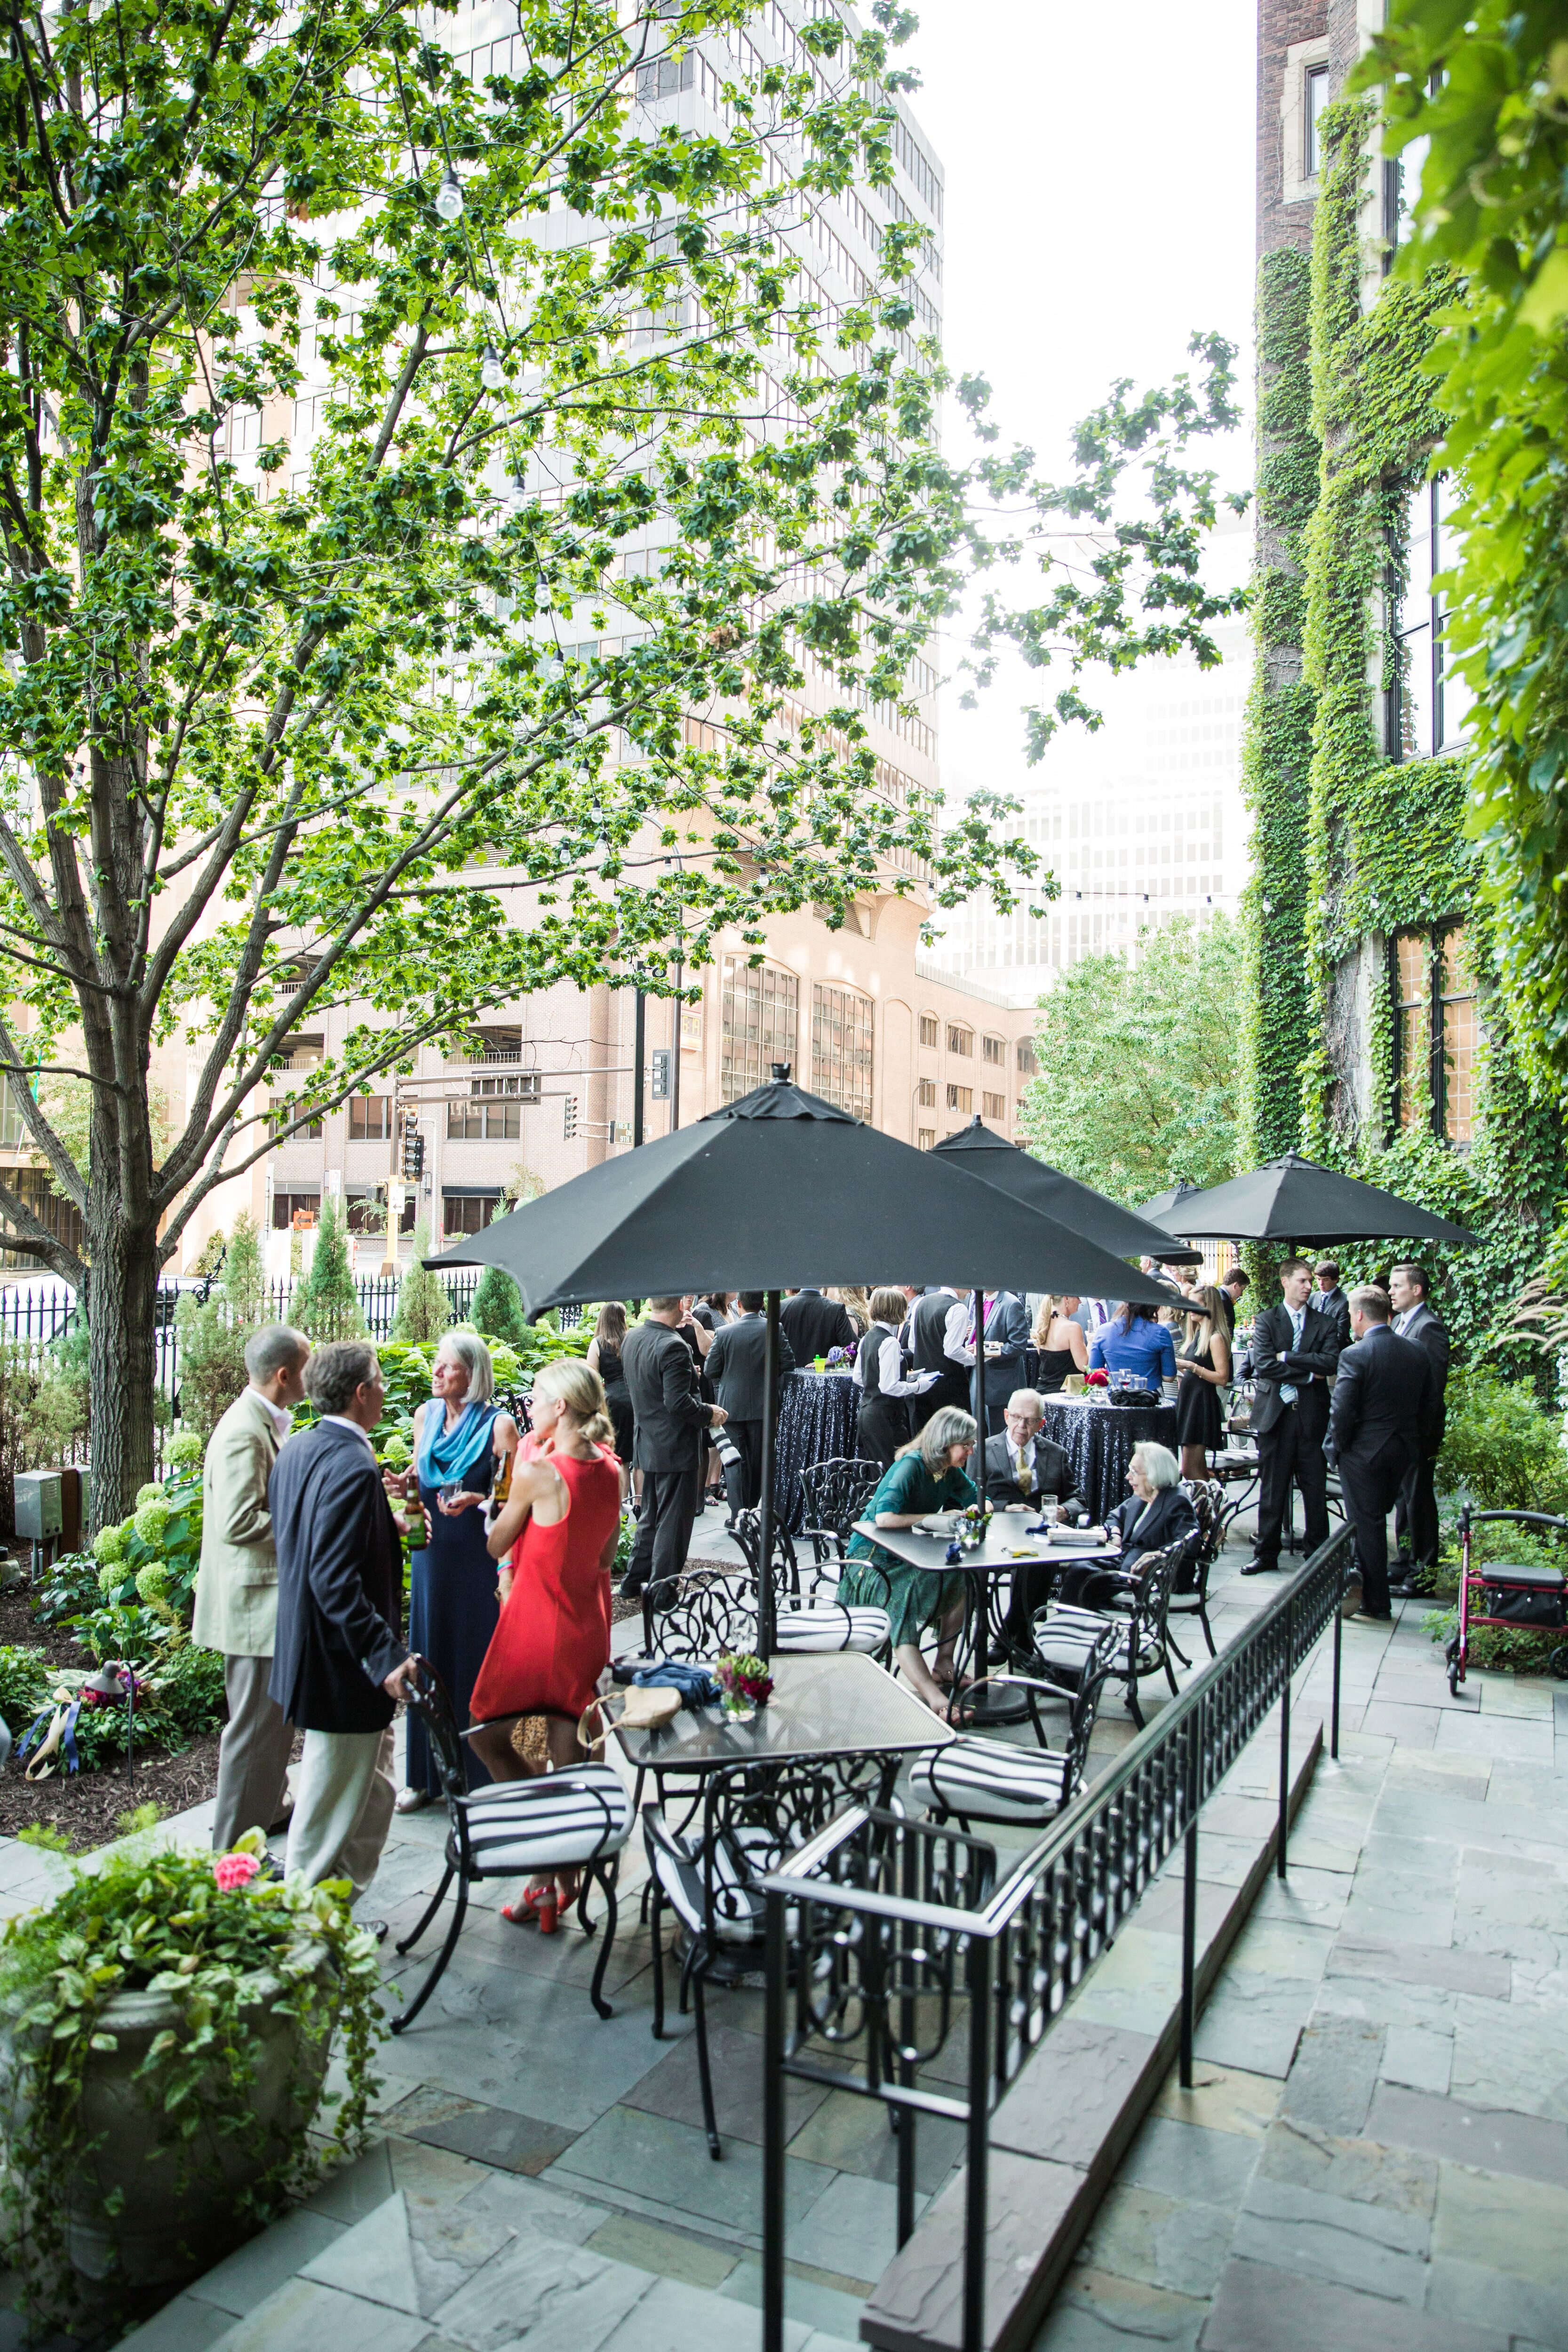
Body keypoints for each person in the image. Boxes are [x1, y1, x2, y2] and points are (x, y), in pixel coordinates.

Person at [468, 1359, 623, 1925]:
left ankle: (550, 1855)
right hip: (586, 1624)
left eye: (536, 1399)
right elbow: (606, 1559)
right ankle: (555, 1879)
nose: (528, 1407)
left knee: (487, 1731)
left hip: (539, 1625)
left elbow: (494, 1544)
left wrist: (501, 1495)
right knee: (565, 1752)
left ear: (561, 1408)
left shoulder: (540, 1472)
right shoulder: (613, 1468)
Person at [269, 1342, 417, 1906]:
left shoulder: (301, 1448)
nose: (383, 1389)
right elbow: (332, 1577)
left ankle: (336, 1911)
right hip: (342, 1667)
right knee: (327, 1809)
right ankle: (304, 1935)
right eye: (379, 1381)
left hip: (313, 1655)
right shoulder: (353, 1465)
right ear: (362, 1393)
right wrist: (385, 1655)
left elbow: (309, 1542)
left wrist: (393, 1516)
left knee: (376, 1789)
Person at [194, 1325, 310, 1853]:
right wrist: (306, 1523)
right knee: (254, 1730)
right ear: (285, 1375)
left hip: (264, 1602)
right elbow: (239, 1522)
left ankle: (267, 1809)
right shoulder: (244, 1430)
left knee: (271, 1725)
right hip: (253, 1605)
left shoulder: (261, 1421)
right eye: (307, 1366)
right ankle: (232, 1846)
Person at [393, 1333, 518, 1812]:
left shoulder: (499, 1426)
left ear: (472, 1373)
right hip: (431, 1560)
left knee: (473, 1662)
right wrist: (406, 1491)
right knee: (427, 1661)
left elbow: (509, 1501)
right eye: (436, 1365)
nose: (437, 1372)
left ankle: (477, 1774)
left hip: (476, 1557)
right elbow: (418, 1481)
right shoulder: (425, 1417)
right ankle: (423, 1775)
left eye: (447, 1366)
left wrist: (479, 1499)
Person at [839, 1408, 979, 1716]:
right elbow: (884, 1518)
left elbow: (975, 1499)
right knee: (901, 1599)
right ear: (946, 1441)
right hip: (870, 1559)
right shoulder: (911, 1465)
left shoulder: (945, 1469)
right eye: (966, 1444)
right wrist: (934, 1519)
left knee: (960, 1580)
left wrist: (983, 1509)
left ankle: (944, 1663)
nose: (971, 1451)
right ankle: (934, 1697)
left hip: (907, 1552)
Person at [1329, 1285, 1436, 1621]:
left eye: (1349, 1316)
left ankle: (1376, 1602)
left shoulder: (1355, 1354)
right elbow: (1431, 1405)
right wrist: (1416, 1444)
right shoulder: (1416, 1351)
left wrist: (1334, 1449)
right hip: (1403, 1450)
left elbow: (1342, 1411)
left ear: (1359, 1315)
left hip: (1364, 1454)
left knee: (1367, 1524)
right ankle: (1368, 1589)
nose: (1350, 1322)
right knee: (1377, 1519)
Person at [621, 1297, 727, 1604]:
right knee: (673, 1524)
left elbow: (646, 1388)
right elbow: (678, 1404)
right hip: (675, 1447)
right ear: (682, 1307)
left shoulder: (633, 1338)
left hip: (647, 1442)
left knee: (650, 1517)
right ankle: (662, 1592)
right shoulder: (674, 1346)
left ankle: (633, 1582)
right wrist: (710, 1413)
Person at [1244, 1258, 1342, 1577]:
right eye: (1301, 1280)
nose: (1308, 1286)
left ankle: (1317, 1554)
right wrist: (1305, 1375)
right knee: (1272, 1488)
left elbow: (1329, 1362)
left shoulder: (1324, 1323)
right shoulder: (1267, 1320)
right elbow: (1263, 1366)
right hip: (1276, 1415)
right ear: (1285, 1281)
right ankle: (1266, 1553)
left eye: (1310, 1281)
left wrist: (1287, 1357)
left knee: (1314, 1489)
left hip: (1311, 1416)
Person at [984, 1390, 1084, 1661]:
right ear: (1006, 1416)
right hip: (1000, 1532)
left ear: (1042, 1423)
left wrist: (1064, 1510)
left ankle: (1010, 1634)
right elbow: (972, 1496)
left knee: (1040, 1560)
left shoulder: (1055, 1453)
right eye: (1017, 1418)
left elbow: (1078, 1498)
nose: (1022, 1427)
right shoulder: (984, 1450)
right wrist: (1005, 1508)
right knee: (1036, 1562)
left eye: (1030, 1421)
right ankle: (1023, 1638)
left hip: (1042, 1533)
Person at [1058, 1443, 1197, 1610]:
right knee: (1079, 1566)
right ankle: (1075, 1623)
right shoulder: (1142, 1496)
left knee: (1082, 1575)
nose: (1127, 1477)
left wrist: (1161, 1554)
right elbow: (1115, 1517)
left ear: (1155, 1475)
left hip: (1153, 1575)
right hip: (1125, 1564)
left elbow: (1192, 1541)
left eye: (1134, 1472)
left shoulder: (1176, 1500)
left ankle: (1073, 1624)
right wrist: (1115, 1534)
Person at [1389, 1262, 1451, 1590]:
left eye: (1397, 1286)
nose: (1390, 1292)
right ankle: (1403, 1561)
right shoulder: (1399, 1321)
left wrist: (1419, 1433)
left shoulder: (1428, 1327)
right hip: (1399, 1430)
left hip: (1418, 1432)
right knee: (1402, 1497)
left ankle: (1424, 1572)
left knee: (1419, 1500)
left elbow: (1433, 1386)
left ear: (1416, 1290)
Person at [704, 1292, 796, 1512]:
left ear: (739, 1304)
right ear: (761, 1304)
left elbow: (710, 1370)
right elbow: (788, 1362)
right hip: (764, 1406)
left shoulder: (724, 1332)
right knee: (758, 1461)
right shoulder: (775, 1328)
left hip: (731, 1407)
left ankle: (738, 1513)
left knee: (735, 1461)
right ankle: (753, 1509)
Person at [852, 1286, 938, 1467]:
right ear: (898, 1310)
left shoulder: (868, 1337)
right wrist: (918, 1386)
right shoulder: (890, 1342)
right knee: (893, 1470)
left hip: (867, 1413)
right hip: (885, 1416)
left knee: (878, 1471)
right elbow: (889, 1387)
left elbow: (859, 1378)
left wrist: (902, 1381)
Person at [955, 1288, 1030, 1435]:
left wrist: (985, 1351)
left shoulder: (1012, 1304)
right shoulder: (980, 1301)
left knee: (998, 1437)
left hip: (1000, 1387)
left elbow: (1018, 1345)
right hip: (977, 1380)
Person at [1176, 1285, 1232, 1479]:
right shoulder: (1198, 1334)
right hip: (1190, 1401)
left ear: (1208, 1306)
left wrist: (1191, 1367)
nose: (1188, 1309)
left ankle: (1204, 1508)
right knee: (1197, 1469)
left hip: (1200, 1405)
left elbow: (1223, 1377)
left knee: (1190, 1469)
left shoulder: (1215, 1337)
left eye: (1194, 1304)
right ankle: (1206, 1508)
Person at [905, 1284, 971, 1428]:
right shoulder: (958, 1308)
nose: (971, 1290)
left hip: (923, 1384)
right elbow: (952, 1351)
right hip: (950, 1386)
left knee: (926, 1435)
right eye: (969, 1285)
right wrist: (974, 1358)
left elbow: (913, 1345)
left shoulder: (920, 1303)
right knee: (954, 1434)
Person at [585, 1302, 634, 1488]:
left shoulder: (598, 1343)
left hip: (614, 1401)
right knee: (638, 1457)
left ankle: (622, 1507)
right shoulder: (632, 1339)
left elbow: (592, 1377)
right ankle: (640, 1504)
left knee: (621, 1457)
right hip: (636, 1397)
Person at [1089, 1300, 1178, 1393]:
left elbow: (1095, 1371)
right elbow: (1169, 1377)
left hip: (1115, 1398)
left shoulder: (1103, 1330)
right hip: (1150, 1397)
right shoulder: (1161, 1332)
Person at [780, 1285, 857, 1364]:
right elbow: (853, 1350)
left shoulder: (781, 1307)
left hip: (788, 1374)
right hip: (823, 1373)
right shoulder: (836, 1309)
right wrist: (830, 1360)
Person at [1030, 1296, 1089, 1393]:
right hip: (1065, 1394)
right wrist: (1092, 1341)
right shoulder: (1072, 1328)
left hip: (1044, 1393)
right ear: (1067, 1299)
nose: (1080, 1301)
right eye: (1077, 1297)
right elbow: (1083, 1366)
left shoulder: (1044, 1324)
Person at [1314, 1260, 1353, 1352]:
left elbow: (1340, 1336)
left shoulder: (1345, 1302)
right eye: (1318, 1279)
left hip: (1333, 1353)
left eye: (1326, 1280)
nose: (1321, 1284)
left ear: (1336, 1280)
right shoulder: (1311, 1298)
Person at [1218, 1266, 1249, 1339]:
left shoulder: (1219, 1296)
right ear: (1235, 1286)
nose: (1241, 1294)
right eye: (1242, 1290)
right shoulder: (1223, 1301)